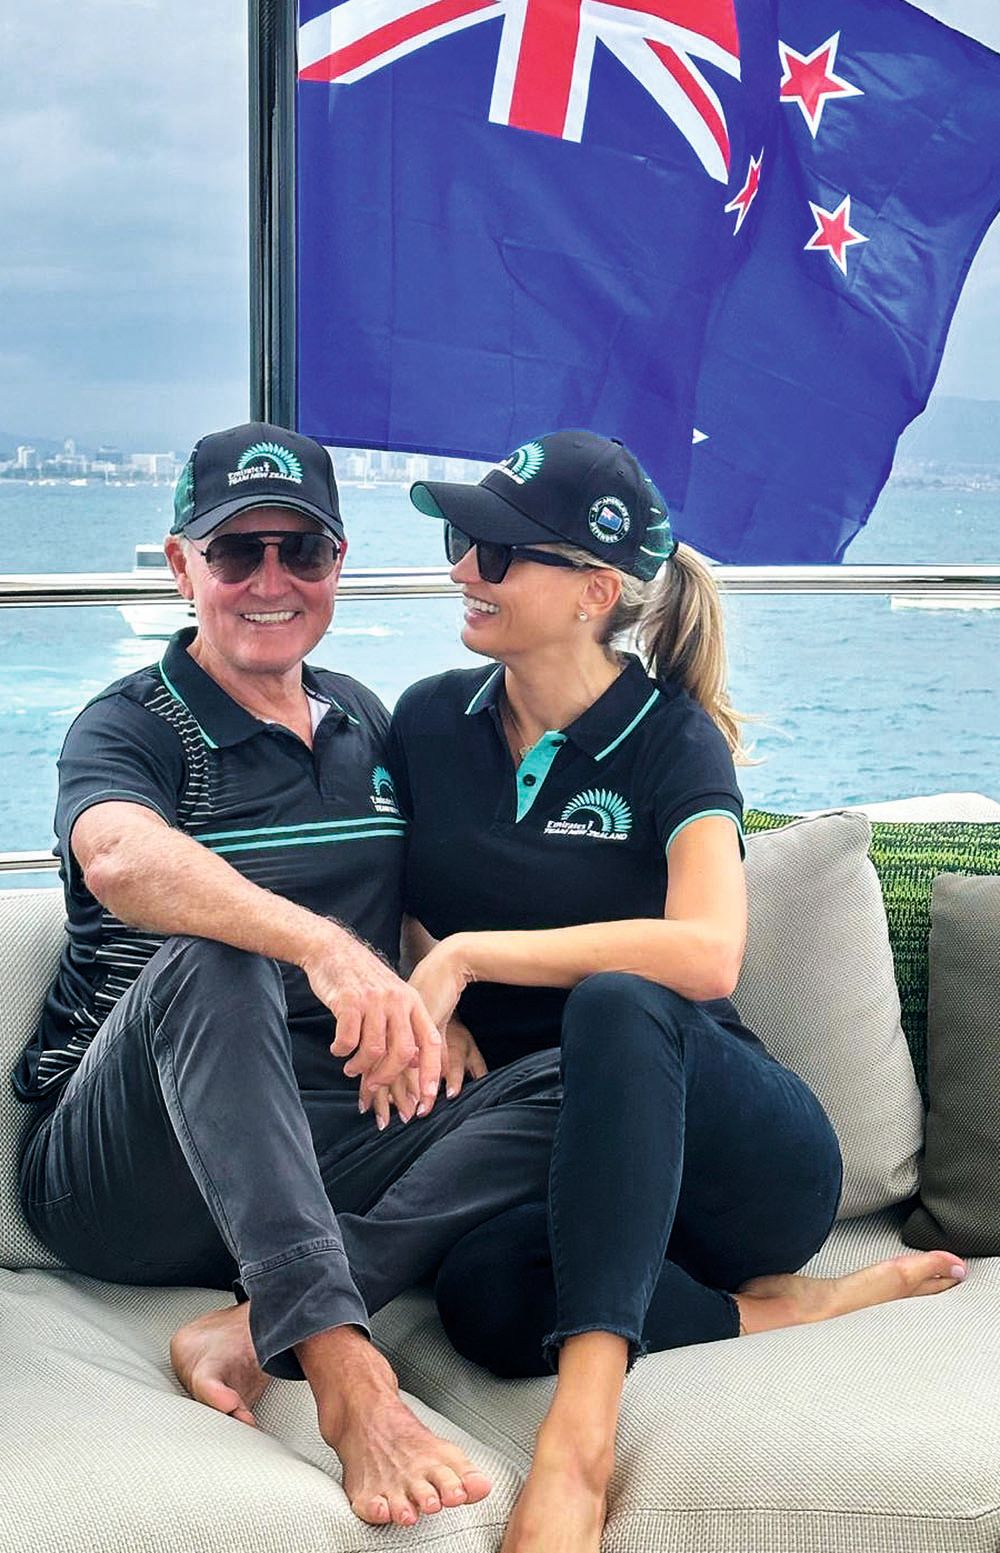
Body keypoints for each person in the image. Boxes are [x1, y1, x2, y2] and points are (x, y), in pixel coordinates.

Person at [379, 429, 968, 1553]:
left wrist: (469, 956)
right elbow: (398, 891)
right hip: (579, 1171)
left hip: (739, 1155)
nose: (461, 567)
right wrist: (432, 980)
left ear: (594, 590)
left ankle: (578, 1448)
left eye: (496, 553)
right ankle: (787, 1308)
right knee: (482, 1303)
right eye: (462, 539)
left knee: (615, 995)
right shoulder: (426, 721)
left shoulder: (670, 742)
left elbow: (704, 952)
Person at [12, 420, 583, 1532]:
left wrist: (431, 987)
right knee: (220, 956)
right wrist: (319, 944)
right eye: (236, 552)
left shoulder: (366, 717)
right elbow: (119, 856)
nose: (270, 580)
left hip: (319, 1150)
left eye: (302, 552)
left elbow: (415, 887)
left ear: (337, 565)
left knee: (602, 1054)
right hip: (127, 1168)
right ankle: (345, 1373)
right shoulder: (135, 723)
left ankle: (247, 1319)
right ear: (183, 567)